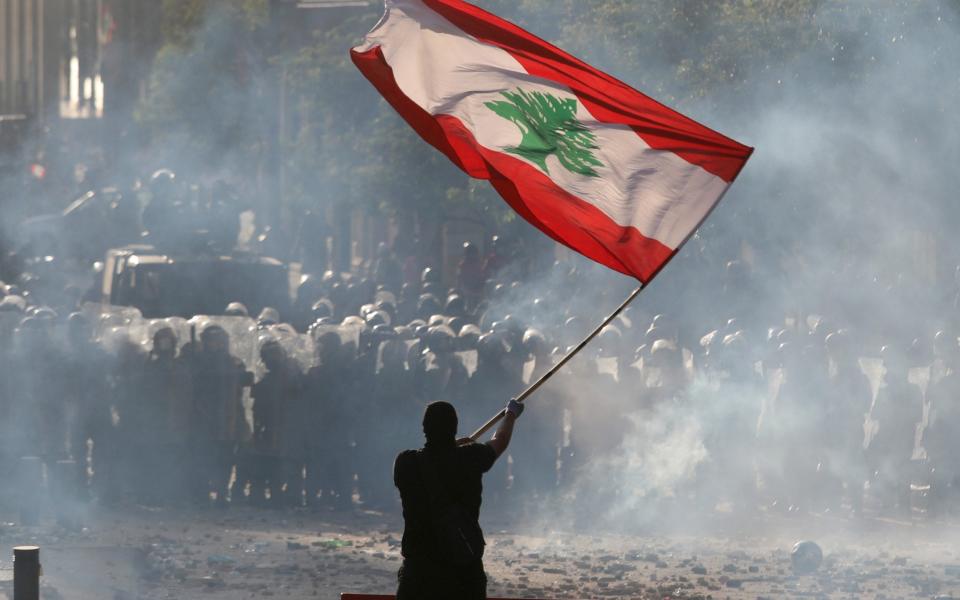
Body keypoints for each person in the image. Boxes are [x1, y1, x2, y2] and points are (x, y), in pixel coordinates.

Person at [393, 399, 523, 600]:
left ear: (424, 428)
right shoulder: (471, 457)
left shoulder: (406, 462)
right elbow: (500, 439)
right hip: (462, 568)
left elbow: (437, 458)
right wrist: (510, 415)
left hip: (419, 571)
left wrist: (453, 447)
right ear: (454, 427)